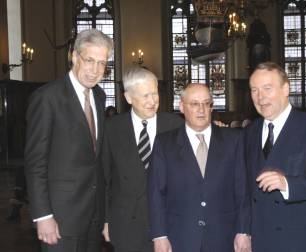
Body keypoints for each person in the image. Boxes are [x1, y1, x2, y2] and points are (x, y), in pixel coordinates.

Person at [25, 28, 113, 252]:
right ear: (74, 57)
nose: (95, 70)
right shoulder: (47, 98)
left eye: (102, 63)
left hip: (94, 216)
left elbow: (97, 160)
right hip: (60, 218)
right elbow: (35, 163)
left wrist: (104, 215)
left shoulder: (99, 96)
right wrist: (43, 215)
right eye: (90, 60)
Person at [245, 61, 306, 252]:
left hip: (300, 240)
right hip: (260, 239)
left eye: (267, 88)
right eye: (254, 90)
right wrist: (243, 232)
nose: (260, 97)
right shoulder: (249, 132)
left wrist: (287, 184)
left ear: (286, 89)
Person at [148, 83, 251, 252]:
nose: (201, 109)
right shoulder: (164, 143)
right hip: (180, 238)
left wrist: (243, 231)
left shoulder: (234, 140)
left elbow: (242, 190)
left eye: (206, 103)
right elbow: (156, 193)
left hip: (224, 237)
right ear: (181, 106)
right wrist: (159, 235)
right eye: (194, 104)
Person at [101, 67, 184, 252]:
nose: (152, 101)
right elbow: (103, 180)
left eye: (155, 94)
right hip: (126, 226)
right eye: (145, 96)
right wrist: (105, 219)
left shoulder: (176, 125)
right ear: (128, 97)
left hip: (168, 223)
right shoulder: (111, 129)